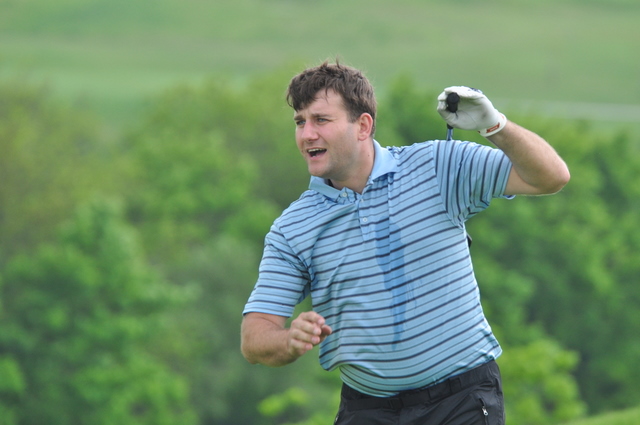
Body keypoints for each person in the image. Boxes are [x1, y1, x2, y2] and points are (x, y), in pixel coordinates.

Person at [240, 60, 570, 425]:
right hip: (368, 410)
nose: (307, 135)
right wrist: (288, 340)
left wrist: (495, 126)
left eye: (321, 120)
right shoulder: (293, 227)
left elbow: (550, 177)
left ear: (363, 126)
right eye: (300, 122)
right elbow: (254, 337)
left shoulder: (437, 165)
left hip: (461, 400)